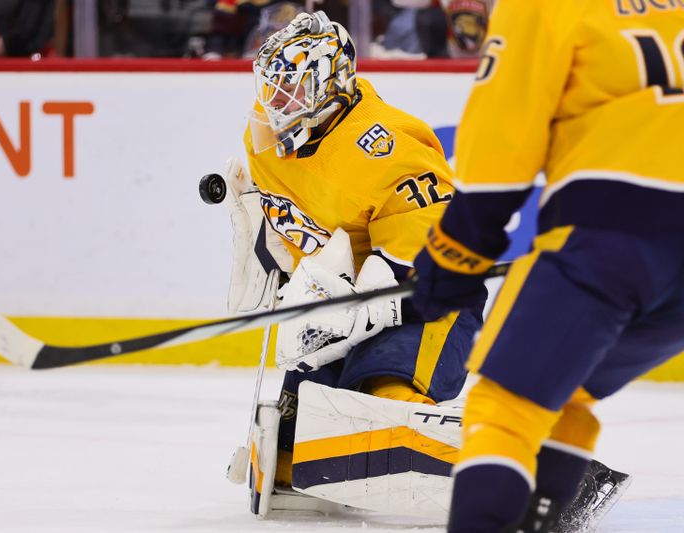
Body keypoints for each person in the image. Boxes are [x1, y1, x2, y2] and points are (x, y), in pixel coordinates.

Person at [410, 0, 684, 531]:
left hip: (613, 233)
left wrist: (456, 253)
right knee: (564, 388)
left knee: (507, 405)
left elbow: (502, 135)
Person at [227, 9, 481, 514]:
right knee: (297, 439)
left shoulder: (387, 147)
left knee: (380, 394)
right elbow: (285, 233)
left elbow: (428, 261)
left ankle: (500, 467)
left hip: (425, 302)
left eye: (290, 91)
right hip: (337, 308)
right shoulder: (267, 145)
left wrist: (355, 306)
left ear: (330, 90)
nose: (275, 104)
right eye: (271, 89)